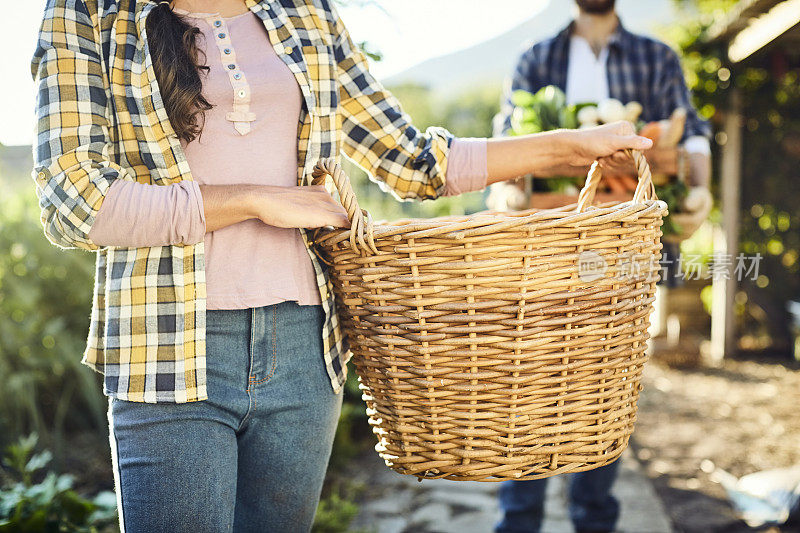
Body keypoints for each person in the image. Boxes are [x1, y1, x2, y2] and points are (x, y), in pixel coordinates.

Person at [30, 0, 654, 531]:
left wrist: (570, 147)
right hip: (165, 349)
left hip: (305, 349)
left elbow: (411, 160)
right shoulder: (92, 16)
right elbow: (74, 203)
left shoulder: (301, 11)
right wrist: (257, 199)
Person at [491, 1, 712, 532]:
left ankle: (594, 518)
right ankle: (518, 520)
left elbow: (693, 135)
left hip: (620, 253)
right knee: (532, 386)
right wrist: (509, 195)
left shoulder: (654, 57)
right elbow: (506, 142)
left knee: (603, 389)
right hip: (545, 251)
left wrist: (697, 185)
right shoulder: (536, 58)